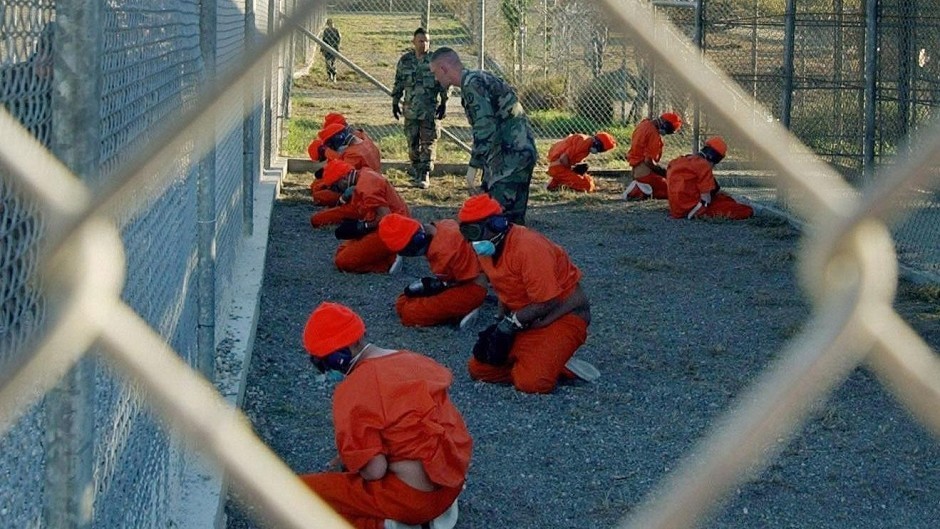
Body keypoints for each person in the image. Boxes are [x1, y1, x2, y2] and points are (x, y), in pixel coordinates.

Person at [300, 301, 472, 529]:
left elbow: (374, 470)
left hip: (413, 499)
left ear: (337, 355)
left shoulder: (353, 390)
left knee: (301, 493)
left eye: (321, 363)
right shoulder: (413, 360)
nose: (324, 371)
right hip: (450, 484)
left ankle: (388, 523)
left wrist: (351, 462)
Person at [455, 195, 600, 394]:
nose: (473, 240)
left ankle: (554, 363)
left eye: (475, 231)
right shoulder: (488, 249)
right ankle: (543, 359)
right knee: (479, 369)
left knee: (532, 384)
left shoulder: (528, 246)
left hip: (561, 315)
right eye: (467, 233)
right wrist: (501, 321)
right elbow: (504, 287)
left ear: (497, 224)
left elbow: (548, 301)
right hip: (528, 318)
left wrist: (510, 323)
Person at [429, 47, 537, 225]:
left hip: (510, 157)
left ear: (443, 69)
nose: (435, 78)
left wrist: (474, 167)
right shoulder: (476, 78)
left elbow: (485, 128)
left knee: (498, 220)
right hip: (518, 152)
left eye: (435, 73)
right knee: (512, 222)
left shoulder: (472, 84)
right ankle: (517, 251)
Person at [377, 213, 488, 329]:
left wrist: (442, 292)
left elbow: (467, 279)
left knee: (410, 313)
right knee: (402, 301)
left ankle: (465, 309)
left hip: (472, 287)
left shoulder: (444, 251)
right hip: (457, 281)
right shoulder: (441, 227)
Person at [317, 159, 410, 273]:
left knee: (343, 261)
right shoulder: (363, 175)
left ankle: (389, 262)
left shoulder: (366, 185)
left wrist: (363, 226)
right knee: (341, 251)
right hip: (390, 225)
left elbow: (385, 217)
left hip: (392, 230)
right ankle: (389, 252)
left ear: (344, 178)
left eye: (336, 187)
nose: (337, 191)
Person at [391, 28, 449, 190]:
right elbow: (399, 81)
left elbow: (444, 83)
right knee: (412, 143)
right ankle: (416, 170)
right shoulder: (405, 61)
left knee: (428, 143)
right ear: (414, 42)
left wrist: (444, 102)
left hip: (429, 110)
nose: (424, 44)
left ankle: (425, 174)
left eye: (427, 41)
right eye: (421, 41)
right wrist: (395, 101)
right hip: (410, 110)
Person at [666, 136, 754, 220]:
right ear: (715, 158)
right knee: (745, 210)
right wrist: (693, 215)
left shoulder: (679, 160)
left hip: (676, 209)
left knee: (724, 198)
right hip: (691, 209)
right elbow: (706, 200)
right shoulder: (703, 166)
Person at [308, 120, 383, 214]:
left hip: (363, 188)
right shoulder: (363, 140)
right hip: (369, 182)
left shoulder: (352, 153)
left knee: (319, 195)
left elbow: (343, 176)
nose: (332, 148)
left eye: (331, 145)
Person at [623, 112, 683, 200]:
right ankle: (640, 191)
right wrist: (665, 173)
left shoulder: (644, 124)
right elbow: (649, 161)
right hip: (646, 174)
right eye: (670, 131)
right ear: (665, 125)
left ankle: (640, 189)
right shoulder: (653, 134)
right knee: (675, 190)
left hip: (636, 171)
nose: (667, 133)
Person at [545, 132, 617, 192]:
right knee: (587, 186)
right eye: (601, 149)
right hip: (558, 167)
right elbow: (563, 158)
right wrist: (572, 170)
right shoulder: (584, 143)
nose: (599, 152)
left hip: (558, 166)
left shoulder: (586, 142)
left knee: (588, 179)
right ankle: (561, 184)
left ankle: (556, 183)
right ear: (598, 143)